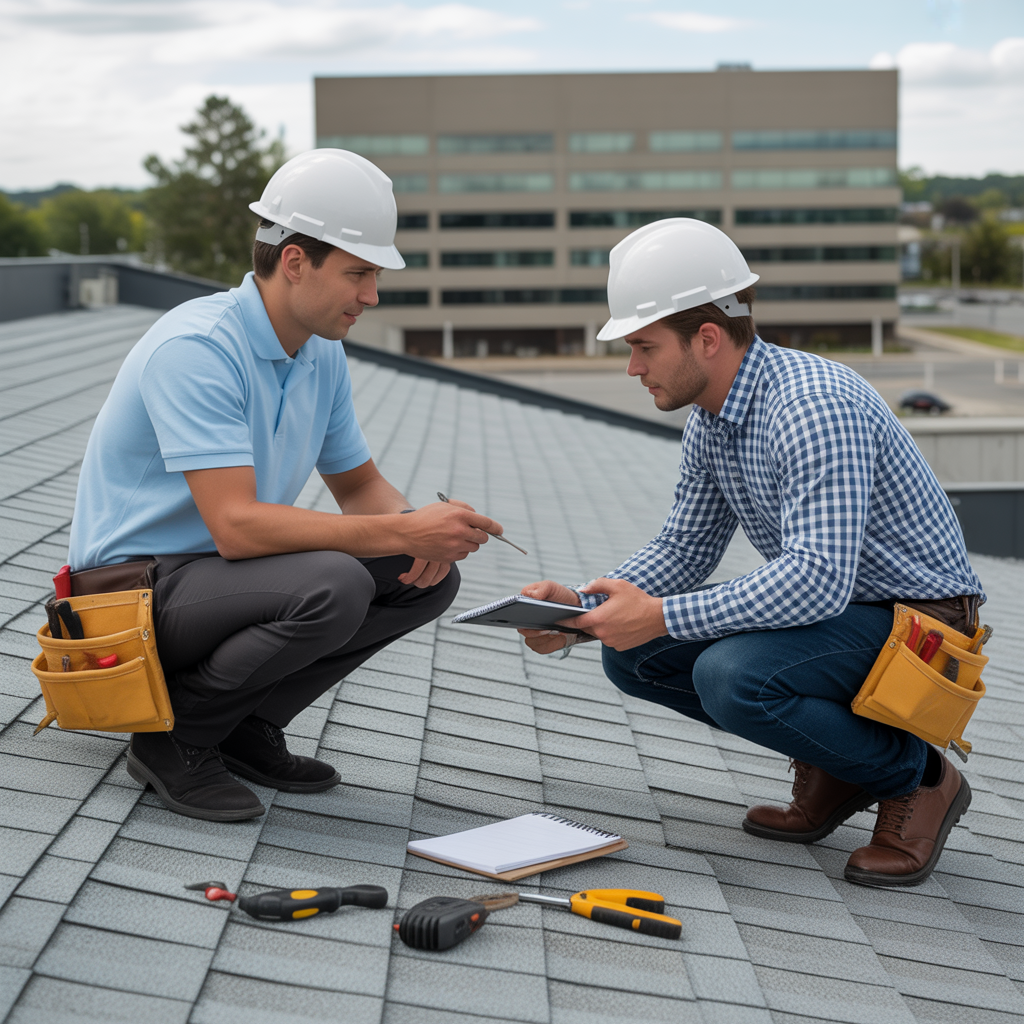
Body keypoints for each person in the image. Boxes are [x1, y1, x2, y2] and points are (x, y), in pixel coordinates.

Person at [519, 218, 984, 888]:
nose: (632, 366)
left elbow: (817, 579)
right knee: (632, 654)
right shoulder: (713, 419)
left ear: (707, 338)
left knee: (732, 675)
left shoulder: (813, 406)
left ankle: (920, 778)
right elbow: (685, 547)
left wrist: (661, 615)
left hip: (921, 625)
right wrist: (581, 610)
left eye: (644, 346)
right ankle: (841, 769)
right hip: (845, 615)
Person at [68, 149, 502, 822]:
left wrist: (421, 531)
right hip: (125, 601)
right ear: (295, 261)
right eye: (359, 273)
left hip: (209, 584)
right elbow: (236, 528)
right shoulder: (198, 349)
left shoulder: (319, 351)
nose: (372, 296)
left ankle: (243, 724)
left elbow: (359, 485)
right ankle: (175, 738)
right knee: (337, 583)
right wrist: (400, 529)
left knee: (422, 577)